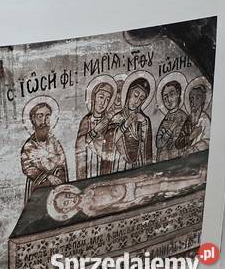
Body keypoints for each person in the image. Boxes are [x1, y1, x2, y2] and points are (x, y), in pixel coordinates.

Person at [47, 165, 206, 221]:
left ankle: (197, 175)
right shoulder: (88, 210)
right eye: (67, 203)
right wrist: (131, 203)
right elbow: (112, 208)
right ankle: (197, 181)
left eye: (67, 196)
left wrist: (135, 178)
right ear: (68, 210)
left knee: (163, 177)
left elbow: (112, 183)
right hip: (130, 196)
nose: (70, 199)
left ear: (69, 191)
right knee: (162, 186)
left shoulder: (88, 188)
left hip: (129, 184)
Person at [20, 101, 68, 208]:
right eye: (40, 116)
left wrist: (58, 175)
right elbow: (27, 167)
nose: (44, 121)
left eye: (47, 117)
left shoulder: (54, 141)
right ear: (33, 119)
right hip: (39, 187)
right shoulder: (29, 145)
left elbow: (62, 159)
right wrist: (48, 177)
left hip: (57, 183)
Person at [109, 77, 153, 170]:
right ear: (129, 93)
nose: (137, 101)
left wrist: (144, 123)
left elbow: (145, 148)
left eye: (141, 99)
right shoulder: (117, 117)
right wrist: (126, 124)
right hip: (119, 165)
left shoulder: (143, 119)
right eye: (135, 95)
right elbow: (110, 141)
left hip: (138, 165)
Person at [76, 80, 115, 179]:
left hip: (104, 164)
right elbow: (79, 143)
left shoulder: (109, 122)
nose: (103, 103)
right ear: (94, 98)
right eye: (101, 97)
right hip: (88, 165)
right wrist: (96, 130)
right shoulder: (86, 121)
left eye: (107, 100)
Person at [155, 79, 191, 161]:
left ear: (178, 93)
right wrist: (171, 128)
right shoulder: (166, 119)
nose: (168, 100)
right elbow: (159, 143)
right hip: (163, 159)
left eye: (171, 94)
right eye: (165, 97)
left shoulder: (184, 117)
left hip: (179, 158)